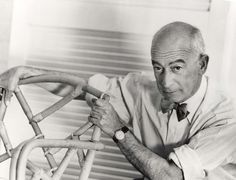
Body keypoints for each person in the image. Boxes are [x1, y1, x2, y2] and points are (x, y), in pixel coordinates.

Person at [0, 21, 236, 180]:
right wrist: (23, 73)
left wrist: (119, 130)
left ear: (202, 64)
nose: (166, 81)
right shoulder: (143, 88)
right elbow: (82, 89)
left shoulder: (228, 118)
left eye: (176, 68)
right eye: (158, 68)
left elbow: (170, 176)